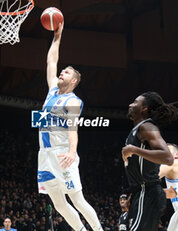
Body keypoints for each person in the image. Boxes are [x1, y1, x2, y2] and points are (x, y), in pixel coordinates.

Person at [37, 22, 103, 231]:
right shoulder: (52, 91)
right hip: (45, 155)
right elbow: (51, 60)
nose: (61, 72)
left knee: (77, 199)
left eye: (65, 72)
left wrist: (72, 152)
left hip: (62, 154)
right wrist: (57, 36)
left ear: (73, 80)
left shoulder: (73, 101)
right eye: (62, 71)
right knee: (58, 203)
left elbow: (73, 129)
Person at [121, 91, 178, 231]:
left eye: (135, 102)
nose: (130, 104)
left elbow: (167, 157)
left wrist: (134, 150)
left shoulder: (147, 127)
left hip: (148, 192)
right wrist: (133, 195)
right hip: (140, 192)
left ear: (144, 108)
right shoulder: (138, 129)